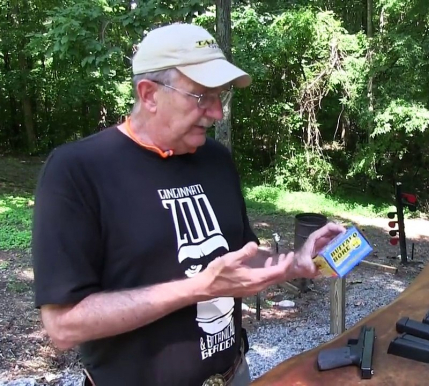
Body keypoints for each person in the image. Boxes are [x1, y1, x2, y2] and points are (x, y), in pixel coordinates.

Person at [30, 23, 345, 386]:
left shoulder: (215, 159)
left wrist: (293, 263)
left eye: (221, 96)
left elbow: (241, 258)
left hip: (232, 375)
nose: (217, 113)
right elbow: (64, 325)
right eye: (201, 96)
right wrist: (199, 287)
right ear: (148, 94)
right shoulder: (77, 171)